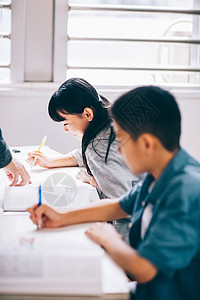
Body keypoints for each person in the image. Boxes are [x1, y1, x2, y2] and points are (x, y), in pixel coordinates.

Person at [27, 86, 200, 300]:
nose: (117, 150)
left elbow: (146, 269)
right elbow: (119, 205)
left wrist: (110, 239)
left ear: (147, 144)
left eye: (121, 140)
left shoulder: (185, 191)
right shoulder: (159, 175)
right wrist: (61, 218)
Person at [27, 78, 138, 242]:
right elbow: (88, 154)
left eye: (66, 123)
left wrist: (94, 181)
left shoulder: (97, 150)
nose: (65, 129)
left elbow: (122, 203)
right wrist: (52, 162)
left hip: (130, 233)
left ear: (88, 114)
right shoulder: (109, 120)